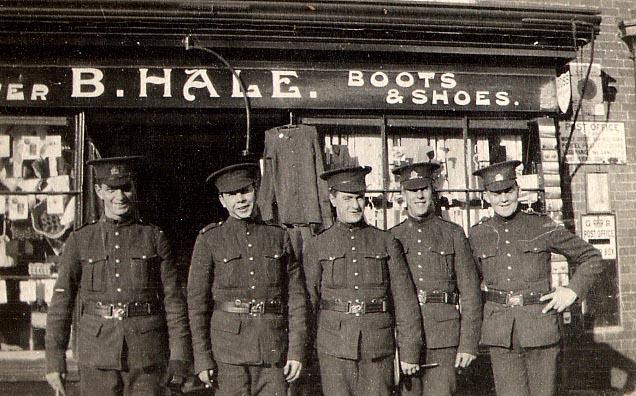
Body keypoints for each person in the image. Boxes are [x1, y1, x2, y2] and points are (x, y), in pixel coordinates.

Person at [45, 156, 191, 396]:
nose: (120, 197)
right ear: (99, 190)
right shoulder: (81, 240)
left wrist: (179, 356)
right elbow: (61, 303)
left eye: (126, 188)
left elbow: (173, 301)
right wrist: (54, 361)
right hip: (96, 356)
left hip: (147, 357)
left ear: (134, 189)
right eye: (112, 189)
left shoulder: (153, 238)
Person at [469, 160, 604, 396]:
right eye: (496, 193)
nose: (503, 199)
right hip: (500, 333)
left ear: (518, 190)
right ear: (486, 197)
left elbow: (591, 257)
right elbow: (470, 284)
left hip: (539, 328)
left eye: (508, 191)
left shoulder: (540, 225)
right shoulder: (479, 233)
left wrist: (571, 291)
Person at [187, 162, 306, 395]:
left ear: (255, 191)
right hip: (228, 355)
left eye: (245, 191)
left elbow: (296, 298)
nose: (240, 199)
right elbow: (197, 304)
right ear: (222, 200)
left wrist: (296, 351)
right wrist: (202, 358)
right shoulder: (210, 239)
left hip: (273, 351)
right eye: (232, 194)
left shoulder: (278, 236)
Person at [303, 165, 423, 396]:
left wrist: (409, 352)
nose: (355, 205)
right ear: (332, 198)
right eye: (347, 198)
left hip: (377, 348)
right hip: (334, 349)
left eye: (359, 198)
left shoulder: (386, 242)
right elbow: (309, 301)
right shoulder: (317, 245)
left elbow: (405, 301)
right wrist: (304, 353)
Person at [390, 162, 481, 396]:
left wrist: (468, 343)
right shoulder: (393, 237)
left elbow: (470, 294)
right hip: (405, 339)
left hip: (445, 337)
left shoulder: (453, 233)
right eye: (412, 190)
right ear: (403, 194)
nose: (419, 195)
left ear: (433, 191)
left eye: (424, 188)